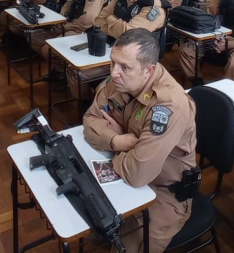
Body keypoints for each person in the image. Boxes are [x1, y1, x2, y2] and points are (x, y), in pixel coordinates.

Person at [83, 29, 197, 253]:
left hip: (164, 194)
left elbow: (138, 173)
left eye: (124, 67)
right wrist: (117, 140)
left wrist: (120, 149)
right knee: (83, 209)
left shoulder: (168, 105)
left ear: (149, 70)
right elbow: (90, 119)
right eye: (113, 63)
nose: (114, 73)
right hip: (124, 176)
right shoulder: (119, 81)